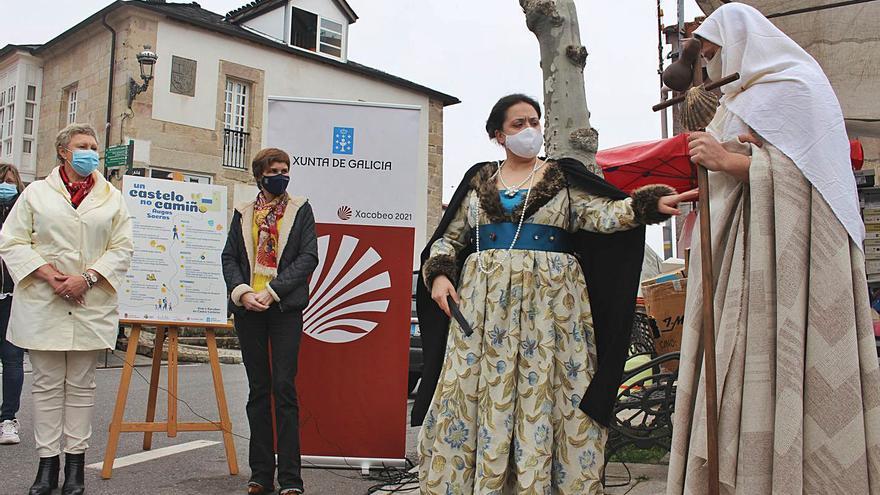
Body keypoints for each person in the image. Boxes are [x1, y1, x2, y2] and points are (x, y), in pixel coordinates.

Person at [414, 94, 696, 494]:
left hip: (551, 313)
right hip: (484, 313)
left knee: (546, 392)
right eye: (518, 124)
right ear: (498, 134)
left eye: (535, 121)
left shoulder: (562, 180)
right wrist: (439, 275)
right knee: (478, 394)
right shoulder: (478, 184)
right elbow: (448, 240)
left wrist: (645, 205)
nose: (530, 130)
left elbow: (605, 214)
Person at [667, 4, 880, 494]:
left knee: (780, 357)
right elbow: (748, 165)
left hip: (787, 264)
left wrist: (735, 163)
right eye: (707, 55)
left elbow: (821, 185)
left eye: (716, 51)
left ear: (745, 38)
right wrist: (719, 175)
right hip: (737, 258)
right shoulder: (735, 99)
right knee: (734, 369)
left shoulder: (798, 85)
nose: (712, 64)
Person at [0, 123, 133, 495]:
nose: (91, 152)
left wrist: (87, 278)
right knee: (45, 387)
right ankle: (47, 465)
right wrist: (50, 276)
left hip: (90, 301)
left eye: (94, 146)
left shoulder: (111, 197)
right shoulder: (36, 195)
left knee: (81, 387)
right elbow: (11, 241)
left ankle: (75, 467)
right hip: (44, 301)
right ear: (63, 151)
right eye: (82, 146)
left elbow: (122, 248)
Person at [222, 148, 318, 495]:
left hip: (284, 311)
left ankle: (291, 479)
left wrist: (273, 291)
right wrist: (243, 292)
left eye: (285, 169)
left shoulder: (300, 209)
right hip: (249, 311)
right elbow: (229, 257)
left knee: (284, 389)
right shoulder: (243, 212)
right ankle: (260, 474)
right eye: (274, 170)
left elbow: (308, 257)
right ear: (259, 175)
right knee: (258, 391)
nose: (281, 175)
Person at [0, 162, 25, 446]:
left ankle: (8, 419)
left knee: (13, 360)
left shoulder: (23, 214)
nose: (6, 185)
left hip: (13, 299)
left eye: (10, 181)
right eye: (1, 180)